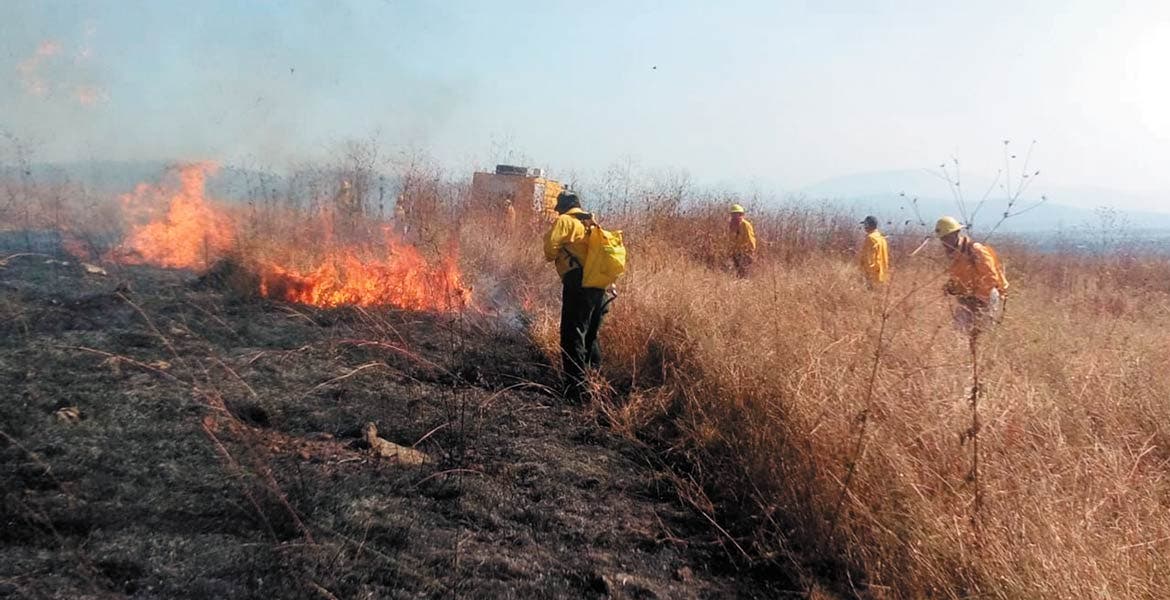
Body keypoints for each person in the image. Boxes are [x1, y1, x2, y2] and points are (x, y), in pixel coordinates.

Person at [543, 191, 607, 398]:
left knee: (572, 335)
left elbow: (549, 250)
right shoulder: (590, 223)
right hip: (600, 285)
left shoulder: (565, 221)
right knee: (590, 335)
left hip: (578, 282)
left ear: (563, 207)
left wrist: (557, 253)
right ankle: (595, 383)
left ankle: (576, 390)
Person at [935, 216, 1009, 335]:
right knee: (960, 333)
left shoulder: (976, 250)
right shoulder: (954, 254)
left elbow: (990, 278)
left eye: (947, 237)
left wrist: (979, 299)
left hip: (986, 297)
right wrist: (951, 286)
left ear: (956, 234)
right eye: (942, 239)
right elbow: (961, 277)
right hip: (967, 299)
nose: (944, 242)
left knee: (982, 335)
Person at [858, 215, 889, 288]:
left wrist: (867, 276)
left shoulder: (870, 238)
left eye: (865, 225)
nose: (864, 227)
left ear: (868, 225)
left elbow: (869, 260)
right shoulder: (882, 238)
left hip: (872, 276)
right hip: (883, 275)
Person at [728, 204, 757, 277]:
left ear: (741, 215)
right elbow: (731, 239)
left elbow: (751, 239)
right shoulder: (732, 225)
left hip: (745, 253)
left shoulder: (746, 225)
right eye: (733, 214)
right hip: (736, 253)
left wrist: (751, 252)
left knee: (744, 273)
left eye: (736, 214)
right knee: (738, 273)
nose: (734, 216)